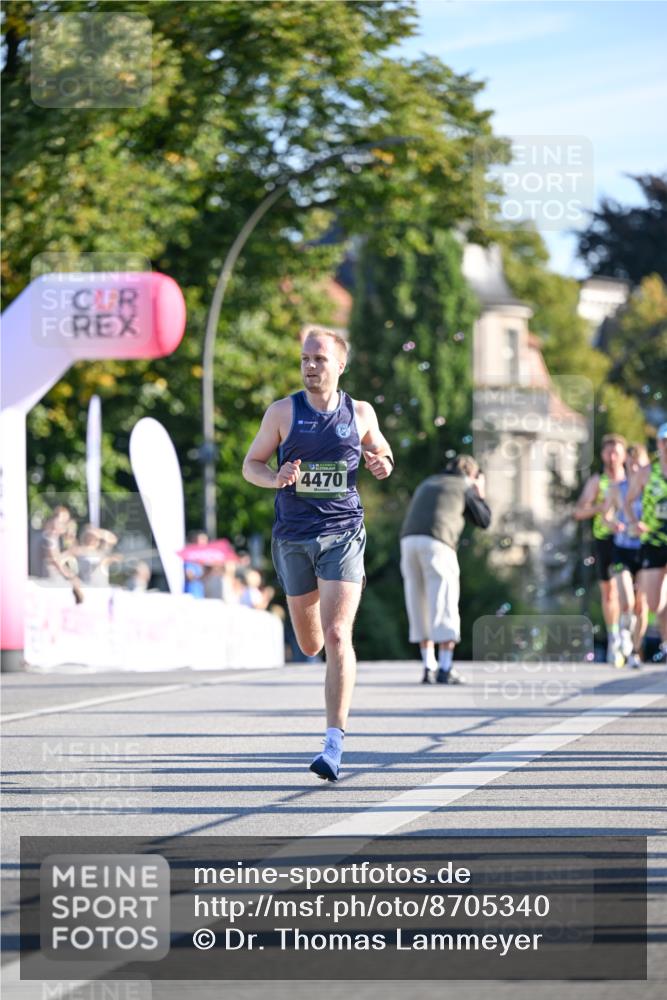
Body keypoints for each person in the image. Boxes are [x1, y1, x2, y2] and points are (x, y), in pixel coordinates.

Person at [242, 325, 394, 781]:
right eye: (305, 359)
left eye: (320, 359)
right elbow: (251, 465)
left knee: (335, 634)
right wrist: (276, 477)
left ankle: (333, 744)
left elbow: (383, 454)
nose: (310, 366)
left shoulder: (361, 412)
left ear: (340, 365)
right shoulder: (283, 412)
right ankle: (332, 732)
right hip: (293, 537)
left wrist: (381, 463)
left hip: (344, 533)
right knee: (310, 643)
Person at [399, 454, 491, 685]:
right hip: (438, 544)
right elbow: (484, 520)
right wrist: (480, 493)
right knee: (444, 601)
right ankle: (446, 667)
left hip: (408, 542)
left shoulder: (429, 482)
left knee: (418, 602)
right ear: (471, 473)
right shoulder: (465, 485)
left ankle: (428, 666)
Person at [574, 434, 627, 667]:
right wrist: (600, 507)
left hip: (630, 541)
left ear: (624, 454)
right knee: (609, 593)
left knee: (631, 592)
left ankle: (627, 633)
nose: (612, 456)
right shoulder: (598, 480)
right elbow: (578, 512)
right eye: (608, 452)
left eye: (616, 452)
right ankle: (614, 635)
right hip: (605, 540)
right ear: (603, 455)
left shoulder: (633, 479)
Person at [625, 423, 667, 663]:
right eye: (665, 442)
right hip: (652, 541)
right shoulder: (646, 474)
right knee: (655, 602)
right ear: (659, 444)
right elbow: (629, 501)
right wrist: (635, 522)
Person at [605, 443, 650, 668]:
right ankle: (622, 634)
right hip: (622, 549)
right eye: (630, 464)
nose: (634, 469)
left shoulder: (653, 488)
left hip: (645, 550)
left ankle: (635, 649)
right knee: (626, 602)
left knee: (641, 605)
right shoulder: (617, 488)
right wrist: (613, 523)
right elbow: (606, 515)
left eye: (638, 465)